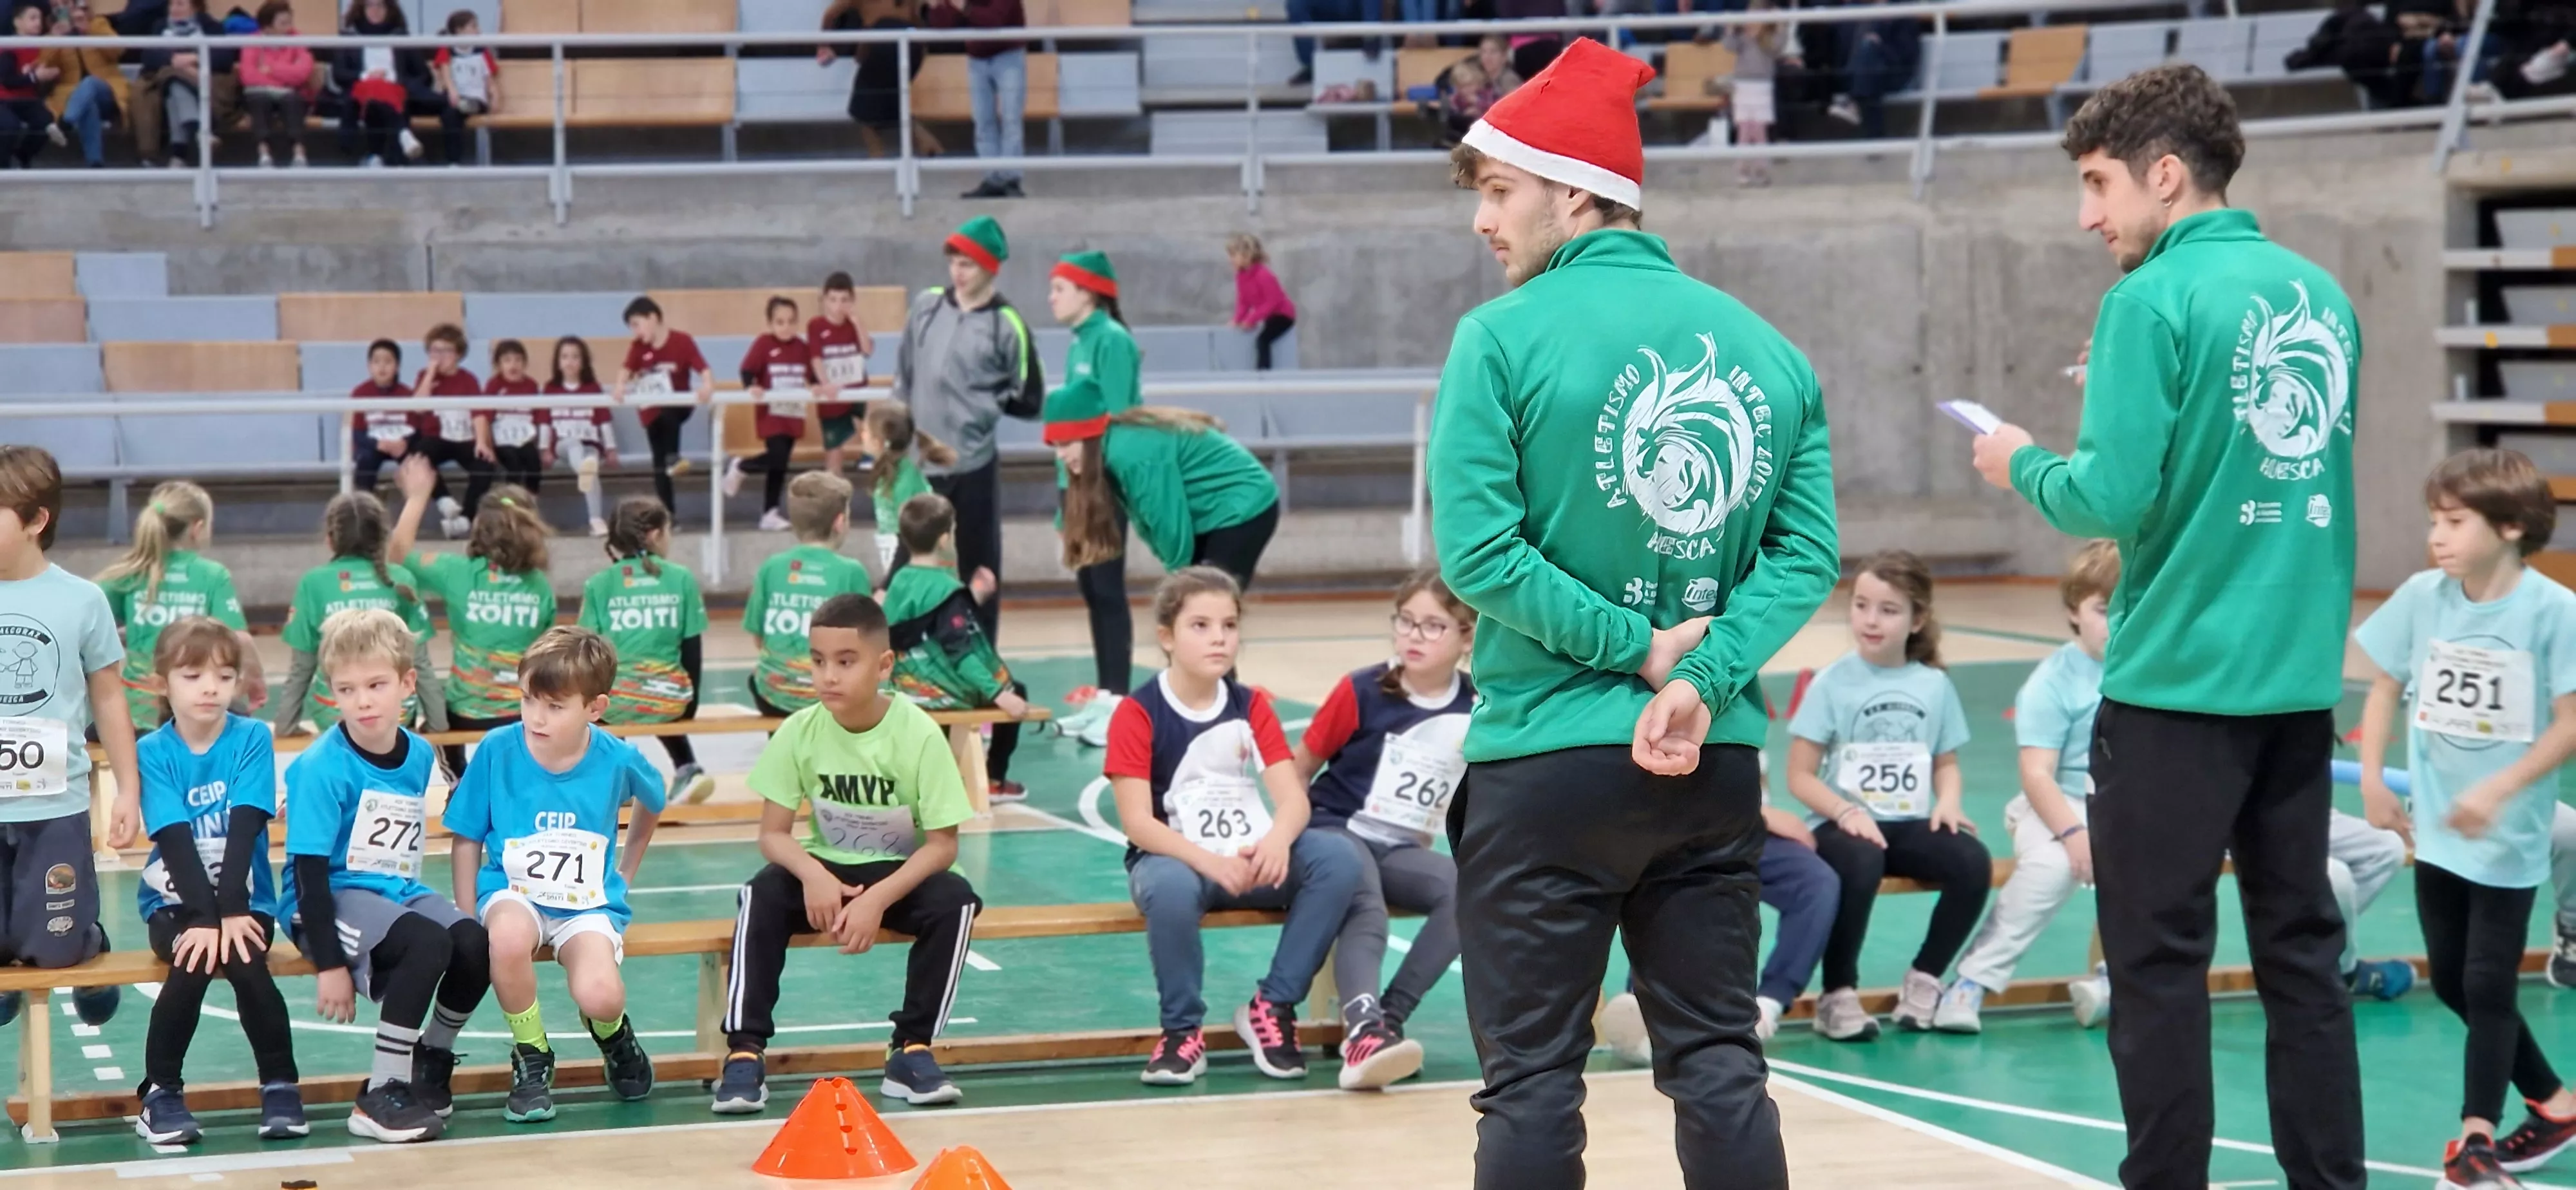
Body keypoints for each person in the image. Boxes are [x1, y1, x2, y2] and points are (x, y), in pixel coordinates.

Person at [1431, 39, 1835, 1189]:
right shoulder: (1774, 352)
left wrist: (1633, 646)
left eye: (1500, 192)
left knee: (1532, 1078)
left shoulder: (1498, 340)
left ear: (1573, 189)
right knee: (1718, 1058)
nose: (1483, 222)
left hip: (1545, 767)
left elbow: (1477, 553)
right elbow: (1805, 552)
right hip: (1708, 769)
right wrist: (1701, 680)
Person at [1968, 64, 2364, 1189]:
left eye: (2099, 183)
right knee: (2304, 964)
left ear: (2167, 175)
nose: (2088, 213)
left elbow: (2108, 499)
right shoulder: (2319, 294)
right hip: (2296, 696)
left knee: (2155, 969)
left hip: (2178, 695)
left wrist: (2020, 461)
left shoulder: (2148, 300)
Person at [2354, 449, 2576, 1188]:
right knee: (2450, 980)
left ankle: (2473, 1139)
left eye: (2454, 523)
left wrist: (2500, 787)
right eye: (2432, 523)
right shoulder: (2424, 596)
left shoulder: (2553, 612)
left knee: (2486, 985)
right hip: (2437, 828)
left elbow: (2569, 723)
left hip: (2506, 834)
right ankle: (2554, 1103)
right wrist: (2373, 782)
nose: (2436, 538)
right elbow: (2385, 686)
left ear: (2511, 526)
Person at [713, 593, 983, 1113]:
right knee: (760, 894)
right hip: (826, 867)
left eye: (845, 661)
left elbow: (944, 845)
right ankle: (744, 1052)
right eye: (818, 662)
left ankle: (911, 1048)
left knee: (956, 903)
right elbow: (773, 834)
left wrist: (877, 899)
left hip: (899, 873)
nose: (828, 676)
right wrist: (813, 875)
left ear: (884, 664)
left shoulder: (920, 734)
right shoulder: (798, 730)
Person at [1109, 567, 1364, 1087]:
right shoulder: (1138, 712)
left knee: (1338, 859)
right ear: (1166, 637)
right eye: (1200, 625)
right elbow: (1137, 822)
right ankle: (1182, 1033)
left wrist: (1275, 841)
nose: (1218, 637)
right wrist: (1210, 862)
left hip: (1249, 858)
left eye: (1228, 625)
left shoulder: (1252, 706)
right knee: (1171, 887)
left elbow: (1293, 797)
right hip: (1180, 863)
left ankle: (1273, 1006)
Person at [279, 607, 491, 1142]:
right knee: (424, 945)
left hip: (393, 889)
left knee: (473, 942)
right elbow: (306, 873)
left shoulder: (419, 754)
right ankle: (381, 1091)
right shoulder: (320, 767)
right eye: (347, 690)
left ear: (407, 683)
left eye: (376, 685)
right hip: (326, 897)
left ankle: (431, 1058)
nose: (364, 701)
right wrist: (329, 963)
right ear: (333, 693)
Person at [444, 625, 664, 1124]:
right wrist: (463, 913)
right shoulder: (499, 749)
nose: (535, 717)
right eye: (527, 700)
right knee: (507, 938)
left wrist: (626, 870)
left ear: (595, 707)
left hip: (586, 903)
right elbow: (465, 836)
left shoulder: (617, 758)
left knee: (600, 995)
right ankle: (532, 1053)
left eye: (554, 706)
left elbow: (654, 802)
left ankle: (613, 1035)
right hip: (513, 892)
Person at [1783, 551, 1989, 1041]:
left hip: (1908, 822)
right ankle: (1838, 994)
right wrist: (1845, 811)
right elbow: (1800, 775)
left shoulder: (1934, 686)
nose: (1870, 620)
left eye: (1888, 610)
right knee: (1860, 860)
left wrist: (1949, 802)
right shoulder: (1831, 682)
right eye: (1861, 605)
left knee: (1971, 861)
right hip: (1844, 825)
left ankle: (1925, 978)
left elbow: (1947, 761)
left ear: (1917, 619)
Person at [1291, 568, 1471, 1090]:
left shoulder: (1479, 705)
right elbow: (1299, 772)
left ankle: (1389, 1019)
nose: (1415, 636)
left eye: (1433, 626)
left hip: (1397, 848)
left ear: (1466, 638)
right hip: (1335, 833)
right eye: (1407, 622)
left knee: (1466, 890)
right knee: (1361, 894)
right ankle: (1362, 1026)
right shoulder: (1361, 690)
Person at [128, 617, 303, 1145]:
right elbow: (175, 839)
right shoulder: (154, 752)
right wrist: (204, 919)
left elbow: (246, 826)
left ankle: (280, 1086)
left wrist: (229, 914)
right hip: (173, 904)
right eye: (193, 675)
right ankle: (160, 1093)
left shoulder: (250, 737)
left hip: (244, 901)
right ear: (162, 683)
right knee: (194, 956)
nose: (210, 688)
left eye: (224, 676)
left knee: (246, 959)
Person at [1938, 540, 2117, 1033]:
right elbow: (2038, 774)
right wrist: (2073, 832)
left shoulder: (2150, 670)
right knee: (2051, 868)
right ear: (2073, 612)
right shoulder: (2053, 681)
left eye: (2128, 606)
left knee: (2160, 869)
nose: (2116, 621)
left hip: (2130, 805)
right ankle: (1970, 982)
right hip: (2056, 803)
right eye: (2104, 608)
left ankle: (2114, 980)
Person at [0, 446, 134, 1034]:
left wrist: (128, 788)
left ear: (36, 521)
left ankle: (88, 935)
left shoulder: (83, 600)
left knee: (57, 952)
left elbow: (108, 697)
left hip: (55, 807)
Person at [895, 215, 1045, 643]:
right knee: (907, 565)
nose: (958, 273)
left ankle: (981, 666)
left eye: (968, 265)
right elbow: (904, 373)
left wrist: (982, 408)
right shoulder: (926, 305)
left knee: (978, 568)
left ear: (990, 269)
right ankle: (909, 659)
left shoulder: (1006, 323)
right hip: (920, 465)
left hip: (972, 464)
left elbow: (1031, 397)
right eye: (954, 263)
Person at [1598, 791, 1842, 1055]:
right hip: (1677, 823)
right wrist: (1756, 812)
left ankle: (1768, 1006)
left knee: (1815, 882)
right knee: (1679, 874)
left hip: (1745, 827)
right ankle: (1646, 1007)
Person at [389, 457, 555, 780]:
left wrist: (418, 496)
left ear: (479, 528)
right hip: (523, 713)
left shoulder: (458, 572)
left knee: (435, 721)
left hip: (466, 712)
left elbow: (395, 557)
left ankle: (457, 782)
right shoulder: (540, 585)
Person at [886, 493, 1030, 802]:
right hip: (942, 691)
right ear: (944, 539)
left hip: (908, 686)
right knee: (1017, 691)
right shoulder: (946, 587)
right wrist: (1001, 696)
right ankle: (994, 779)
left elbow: (918, 629)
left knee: (944, 678)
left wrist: (972, 598)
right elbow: (960, 652)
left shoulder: (899, 582)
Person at [270, 490, 444, 737]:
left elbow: (302, 668)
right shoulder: (402, 579)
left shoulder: (314, 583)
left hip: (336, 715)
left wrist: (285, 726)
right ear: (384, 537)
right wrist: (438, 724)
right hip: (396, 715)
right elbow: (421, 663)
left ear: (330, 539)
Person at [581, 498, 715, 805]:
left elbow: (589, 654)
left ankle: (619, 778)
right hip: (670, 699)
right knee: (654, 691)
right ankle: (687, 768)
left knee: (607, 701)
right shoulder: (680, 577)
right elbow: (692, 650)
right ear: (655, 535)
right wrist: (689, 704)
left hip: (616, 702)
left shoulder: (599, 584)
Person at [95, 480, 256, 733]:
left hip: (135, 715)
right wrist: (255, 680)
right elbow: (241, 640)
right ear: (198, 528)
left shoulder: (128, 574)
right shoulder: (212, 576)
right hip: (193, 715)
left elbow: (82, 618)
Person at [743, 471, 875, 719]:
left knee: (764, 680)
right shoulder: (850, 571)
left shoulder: (772, 567)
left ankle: (785, 751)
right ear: (839, 522)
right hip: (829, 698)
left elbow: (758, 637)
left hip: (774, 696)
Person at [723, 296, 822, 532]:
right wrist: (751, 387)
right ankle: (742, 466)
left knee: (780, 464)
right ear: (770, 323)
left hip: (793, 414)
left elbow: (812, 376)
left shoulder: (802, 348)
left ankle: (770, 512)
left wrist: (817, 385)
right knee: (777, 456)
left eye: (791, 322)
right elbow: (747, 370)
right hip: (772, 414)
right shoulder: (764, 344)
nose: (786, 327)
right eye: (780, 322)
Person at [615, 296, 715, 516]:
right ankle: (668, 515)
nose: (635, 332)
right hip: (651, 411)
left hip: (677, 407)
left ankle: (675, 456)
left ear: (653, 318)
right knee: (659, 464)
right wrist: (620, 386)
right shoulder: (638, 348)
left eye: (636, 324)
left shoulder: (683, 341)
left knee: (668, 413)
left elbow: (703, 368)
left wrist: (707, 386)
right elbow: (625, 369)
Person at [334, 0, 462, 166]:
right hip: (364, 96)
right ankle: (396, 146)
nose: (376, 10)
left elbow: (424, 75)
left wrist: (395, 79)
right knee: (377, 101)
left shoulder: (401, 36)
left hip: (401, 92)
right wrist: (366, 76)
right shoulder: (349, 37)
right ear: (361, 8)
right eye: (370, 5)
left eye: (381, 6)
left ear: (389, 9)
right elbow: (339, 75)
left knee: (451, 106)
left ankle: (454, 163)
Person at [928, 0, 1027, 199]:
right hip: (977, 58)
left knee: (1011, 119)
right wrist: (939, 7)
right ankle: (992, 179)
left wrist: (964, 9)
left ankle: (1011, 180)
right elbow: (944, 24)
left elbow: (993, 20)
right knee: (982, 121)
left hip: (1009, 56)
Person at [820, 0, 942, 159]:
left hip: (880, 43)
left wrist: (823, 43)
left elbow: (830, 14)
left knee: (861, 106)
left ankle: (877, 155)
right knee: (896, 101)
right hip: (911, 47)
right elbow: (917, 20)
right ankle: (929, 147)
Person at [133, 0, 236, 169]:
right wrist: (175, 61)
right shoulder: (160, 26)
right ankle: (199, 132)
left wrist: (196, 58)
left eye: (180, 4)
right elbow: (148, 57)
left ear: (195, 7)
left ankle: (178, 154)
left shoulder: (210, 26)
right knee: (173, 79)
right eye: (171, 5)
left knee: (174, 88)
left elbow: (225, 58)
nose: (174, 9)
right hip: (167, 77)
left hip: (200, 80)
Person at [411, 322, 491, 534]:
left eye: (446, 351)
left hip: (464, 439)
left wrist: (481, 442)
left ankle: (465, 519)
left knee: (484, 466)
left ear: (458, 354)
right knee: (420, 456)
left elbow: (479, 413)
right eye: (435, 351)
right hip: (437, 437)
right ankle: (444, 500)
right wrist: (429, 375)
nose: (439, 357)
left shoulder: (469, 380)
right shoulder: (424, 377)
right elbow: (418, 408)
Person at [864, 401, 956, 577]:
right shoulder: (887, 470)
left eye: (866, 431)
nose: (862, 435)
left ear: (879, 441)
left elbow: (909, 536)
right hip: (895, 552)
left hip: (912, 559)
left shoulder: (905, 480)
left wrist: (889, 583)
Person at [540, 335, 616, 538]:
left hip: (590, 443)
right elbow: (545, 422)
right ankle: (583, 469)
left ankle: (595, 519)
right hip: (563, 445)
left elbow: (604, 421)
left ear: (583, 362)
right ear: (558, 362)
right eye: (565, 357)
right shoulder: (551, 389)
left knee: (591, 461)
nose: (570, 361)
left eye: (575, 357)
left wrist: (610, 448)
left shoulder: (593, 388)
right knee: (575, 446)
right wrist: (544, 448)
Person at [39, 0, 126, 169]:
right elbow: (44, 65)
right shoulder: (54, 33)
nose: (65, 9)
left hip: (106, 89)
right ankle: (95, 163)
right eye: (59, 6)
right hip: (73, 94)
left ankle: (64, 124)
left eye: (68, 4)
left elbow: (118, 51)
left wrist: (90, 30)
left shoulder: (97, 23)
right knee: (88, 105)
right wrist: (56, 40)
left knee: (90, 83)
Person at [810, 272, 876, 476]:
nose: (838, 306)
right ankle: (834, 500)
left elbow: (867, 350)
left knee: (868, 425)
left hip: (856, 389)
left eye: (844, 300)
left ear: (852, 300)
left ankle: (871, 454)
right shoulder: (816, 326)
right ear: (825, 300)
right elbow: (816, 358)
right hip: (833, 396)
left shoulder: (854, 324)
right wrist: (825, 383)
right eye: (833, 300)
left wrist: (858, 323)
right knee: (834, 451)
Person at [238, 0, 313, 168]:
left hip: (289, 92)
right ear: (267, 28)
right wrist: (286, 76)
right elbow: (249, 76)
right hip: (262, 91)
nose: (288, 27)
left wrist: (271, 69)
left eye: (290, 22)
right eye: (283, 23)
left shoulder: (298, 40)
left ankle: (299, 154)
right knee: (259, 100)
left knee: (293, 101)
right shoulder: (253, 42)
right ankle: (264, 154)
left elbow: (302, 73)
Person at [1723, 3, 1784, 187]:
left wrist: (1779, 26)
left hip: (1762, 87)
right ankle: (1743, 170)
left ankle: (1761, 170)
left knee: (1759, 131)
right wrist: (1730, 30)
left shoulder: (1770, 38)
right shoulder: (1742, 37)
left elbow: (1777, 49)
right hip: (1743, 86)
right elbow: (1728, 46)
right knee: (1744, 130)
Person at [350, 339, 422, 490]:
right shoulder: (360, 393)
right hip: (373, 446)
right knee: (366, 460)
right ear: (369, 366)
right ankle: (364, 505)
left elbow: (416, 428)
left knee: (418, 462)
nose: (382, 367)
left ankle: (433, 502)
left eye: (388, 362)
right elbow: (358, 433)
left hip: (400, 445)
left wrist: (404, 443)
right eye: (376, 362)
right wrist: (378, 444)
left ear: (397, 366)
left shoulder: (407, 394)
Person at [0, 5, 64, 169]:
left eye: (40, 19)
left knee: (46, 121)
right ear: (17, 22)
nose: (38, 23)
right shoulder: (8, 46)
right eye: (33, 18)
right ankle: (3, 167)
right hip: (3, 99)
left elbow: (48, 64)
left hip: (29, 100)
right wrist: (35, 77)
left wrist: (51, 75)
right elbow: (7, 80)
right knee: (9, 125)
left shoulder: (41, 47)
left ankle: (23, 156)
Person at [1227, 234, 1298, 372]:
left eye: (1233, 255)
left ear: (1246, 255)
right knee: (1256, 337)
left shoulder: (1264, 275)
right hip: (1269, 315)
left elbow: (1273, 301)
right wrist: (1237, 320)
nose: (1230, 260)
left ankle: (1263, 374)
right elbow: (1243, 302)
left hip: (1283, 316)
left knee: (1263, 341)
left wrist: (1251, 320)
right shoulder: (1241, 277)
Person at [482, 340, 545, 492]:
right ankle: (510, 503)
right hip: (502, 441)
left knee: (534, 464)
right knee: (514, 465)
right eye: (507, 361)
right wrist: (489, 445)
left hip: (525, 439)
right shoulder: (494, 385)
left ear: (525, 363)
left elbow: (538, 417)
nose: (513, 365)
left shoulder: (531, 385)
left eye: (518, 360)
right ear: (498, 365)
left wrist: (540, 444)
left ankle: (531, 500)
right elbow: (486, 419)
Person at [433, 10, 497, 119]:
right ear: (459, 30)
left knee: (459, 108)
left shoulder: (482, 52)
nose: (479, 31)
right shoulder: (447, 49)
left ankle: (459, 107)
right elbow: (445, 74)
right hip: (454, 98)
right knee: (450, 111)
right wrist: (452, 92)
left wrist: (495, 98)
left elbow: (490, 82)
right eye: (474, 27)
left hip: (476, 100)